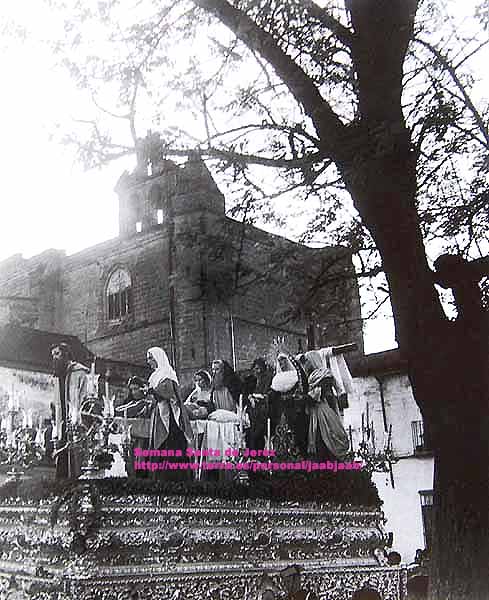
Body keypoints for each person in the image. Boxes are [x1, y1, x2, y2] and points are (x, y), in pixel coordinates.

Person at [300, 350, 350, 460]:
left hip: (323, 410)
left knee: (327, 435)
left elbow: (318, 394)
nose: (306, 364)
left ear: (313, 360)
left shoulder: (324, 376)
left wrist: (303, 398)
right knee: (318, 437)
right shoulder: (311, 376)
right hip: (315, 411)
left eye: (307, 361)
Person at [51, 342, 90, 479]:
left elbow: (85, 398)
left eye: (57, 353)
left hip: (76, 422)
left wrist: (80, 416)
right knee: (62, 457)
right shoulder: (56, 377)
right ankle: (61, 487)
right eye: (53, 355)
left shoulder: (79, 372)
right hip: (62, 423)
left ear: (66, 354)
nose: (55, 358)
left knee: (76, 458)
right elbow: (56, 403)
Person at [147, 347, 194, 460]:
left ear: (158, 358)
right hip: (159, 413)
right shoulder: (155, 376)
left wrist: (153, 391)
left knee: (172, 444)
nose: (148, 362)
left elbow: (167, 393)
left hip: (171, 414)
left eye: (150, 358)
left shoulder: (167, 373)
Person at [270, 353, 309, 458]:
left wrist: (295, 398)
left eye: (283, 360)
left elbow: (303, 391)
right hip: (281, 411)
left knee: (296, 436)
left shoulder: (297, 375)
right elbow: (273, 396)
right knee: (281, 437)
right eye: (279, 361)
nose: (281, 363)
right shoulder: (277, 378)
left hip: (295, 410)